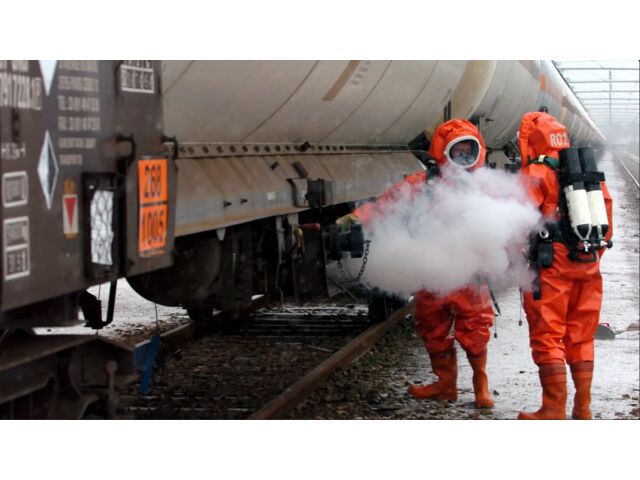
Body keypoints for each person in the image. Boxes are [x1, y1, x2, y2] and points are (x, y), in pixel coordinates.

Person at [337, 119, 495, 408]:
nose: (462, 156)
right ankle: (445, 385)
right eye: (457, 150)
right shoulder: (421, 183)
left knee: (475, 331)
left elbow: (511, 221)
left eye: (467, 150)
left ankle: (480, 387)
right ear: (444, 152)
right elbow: (386, 205)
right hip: (430, 270)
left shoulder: (485, 186)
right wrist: (355, 218)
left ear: (477, 152)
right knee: (432, 329)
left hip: (469, 274)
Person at [517, 111, 613, 420]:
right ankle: (583, 407)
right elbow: (607, 220)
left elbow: (518, 221)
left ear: (531, 140)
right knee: (581, 335)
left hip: (552, 268)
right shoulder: (587, 171)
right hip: (587, 262)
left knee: (548, 333)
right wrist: (588, 259)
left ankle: (553, 408)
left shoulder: (536, 171)